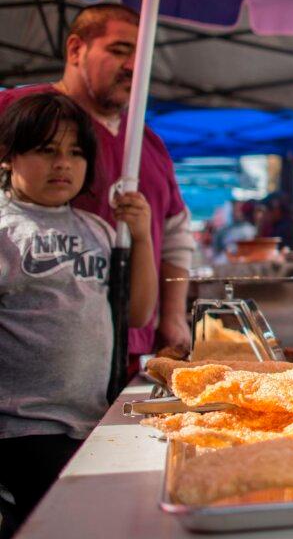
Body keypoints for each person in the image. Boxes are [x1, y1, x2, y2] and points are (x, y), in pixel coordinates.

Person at [0, 4, 195, 365]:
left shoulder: (149, 144)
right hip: (27, 367)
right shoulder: (12, 111)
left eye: (141, 56)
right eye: (119, 50)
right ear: (76, 50)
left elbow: (175, 234)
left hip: (129, 351)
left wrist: (171, 314)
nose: (133, 66)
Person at [0, 94, 156, 539]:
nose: (62, 164)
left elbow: (138, 312)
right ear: (9, 156)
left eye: (75, 152)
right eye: (46, 150)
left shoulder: (100, 232)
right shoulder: (6, 231)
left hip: (94, 418)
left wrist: (141, 238)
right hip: (24, 430)